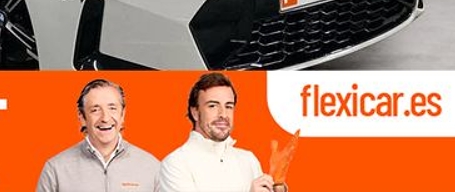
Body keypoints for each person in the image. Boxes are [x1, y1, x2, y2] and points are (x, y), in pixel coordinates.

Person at [159, 73, 293, 192]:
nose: (223, 114)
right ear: (195, 112)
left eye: (228, 106)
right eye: (212, 106)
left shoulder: (248, 159)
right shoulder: (175, 164)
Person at [36, 78, 160, 192]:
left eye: (112, 108)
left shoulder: (152, 166)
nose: (105, 118)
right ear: (82, 117)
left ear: (122, 115)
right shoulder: (55, 169)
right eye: (95, 110)